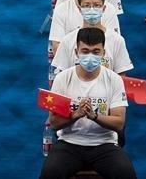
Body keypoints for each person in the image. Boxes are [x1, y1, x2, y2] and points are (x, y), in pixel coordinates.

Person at [40, 27, 135, 179]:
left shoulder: (114, 80)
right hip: (69, 143)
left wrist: (94, 116)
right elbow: (54, 123)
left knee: (126, 174)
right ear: (76, 51)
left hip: (104, 144)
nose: (90, 56)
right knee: (50, 174)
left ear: (103, 53)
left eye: (96, 52)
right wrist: (75, 115)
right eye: (85, 51)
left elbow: (119, 122)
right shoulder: (62, 79)